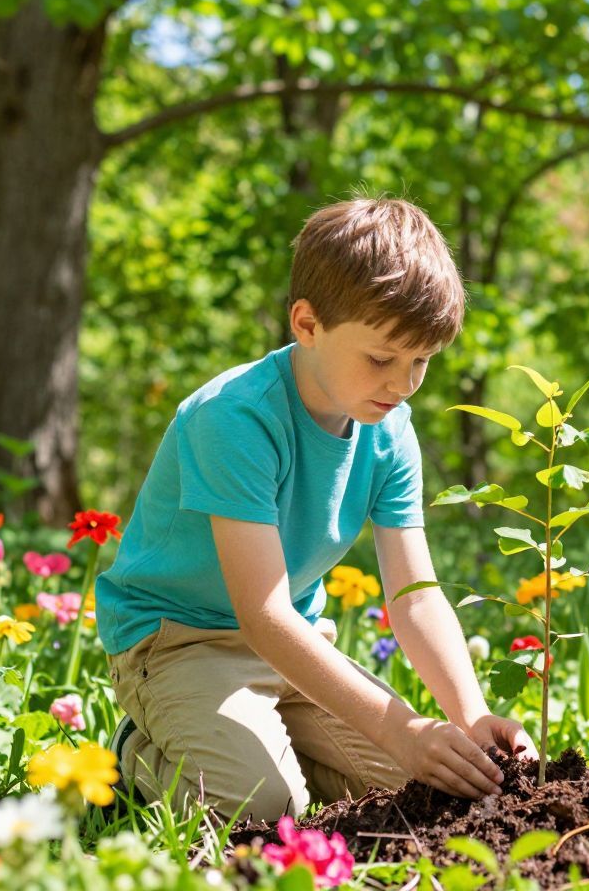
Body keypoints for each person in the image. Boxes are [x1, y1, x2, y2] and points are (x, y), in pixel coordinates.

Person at [96, 197, 533, 821]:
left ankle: (252, 743)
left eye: (421, 362)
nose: (403, 384)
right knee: (264, 806)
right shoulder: (235, 418)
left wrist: (470, 716)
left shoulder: (390, 430)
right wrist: (402, 729)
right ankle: (138, 755)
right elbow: (261, 613)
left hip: (299, 649)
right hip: (179, 642)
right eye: (382, 358)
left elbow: (416, 596)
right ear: (306, 324)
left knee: (432, 787)